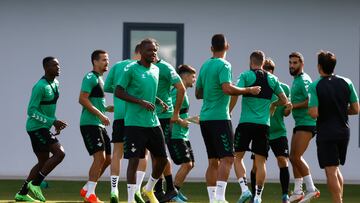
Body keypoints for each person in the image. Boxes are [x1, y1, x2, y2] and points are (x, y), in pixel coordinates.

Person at [195, 34, 261, 203]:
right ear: (227, 47)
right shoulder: (225, 64)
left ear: (211, 48)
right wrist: (248, 90)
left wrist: (210, 90)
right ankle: (219, 197)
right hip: (219, 118)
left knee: (212, 161)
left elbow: (198, 93)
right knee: (228, 158)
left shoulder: (204, 66)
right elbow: (227, 89)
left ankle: (213, 199)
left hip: (205, 119)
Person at [230, 51, 289, 203]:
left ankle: (244, 190)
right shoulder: (273, 79)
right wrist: (273, 104)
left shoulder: (245, 76)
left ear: (251, 62)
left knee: (237, 157)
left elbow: (235, 92)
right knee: (261, 162)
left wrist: (228, 111)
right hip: (263, 125)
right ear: (263, 63)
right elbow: (284, 100)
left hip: (245, 123)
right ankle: (258, 196)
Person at [115, 38, 168, 203]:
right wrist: (140, 102)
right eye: (149, 50)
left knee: (163, 159)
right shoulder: (131, 69)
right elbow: (118, 92)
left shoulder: (156, 70)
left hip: (153, 122)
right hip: (134, 123)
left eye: (155, 50)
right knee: (133, 161)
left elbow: (147, 91)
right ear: (141, 52)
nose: (153, 53)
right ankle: (131, 199)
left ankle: (148, 188)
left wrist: (158, 101)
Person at [308, 51, 359, 203]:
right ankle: (340, 199)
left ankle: (338, 201)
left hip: (326, 132)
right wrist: (341, 111)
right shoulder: (347, 82)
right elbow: (356, 109)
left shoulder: (315, 85)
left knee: (330, 171)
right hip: (344, 132)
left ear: (319, 66)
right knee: (336, 168)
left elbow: (313, 113)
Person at [14, 57, 67, 202]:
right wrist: (52, 121)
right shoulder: (39, 86)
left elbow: (48, 109)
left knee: (43, 162)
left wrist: (54, 123)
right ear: (46, 68)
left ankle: (22, 193)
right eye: (55, 65)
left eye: (59, 65)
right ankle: (35, 184)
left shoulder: (55, 83)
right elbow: (31, 110)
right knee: (60, 153)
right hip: (36, 128)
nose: (58, 67)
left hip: (44, 127)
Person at [248, 58, 292, 203]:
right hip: (261, 131)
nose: (265, 73)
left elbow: (286, 112)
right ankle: (255, 196)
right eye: (263, 70)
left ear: (272, 72)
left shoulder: (283, 88)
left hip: (279, 132)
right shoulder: (256, 88)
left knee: (283, 161)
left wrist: (288, 109)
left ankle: (285, 195)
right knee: (256, 166)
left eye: (268, 70)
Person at [104, 44, 143, 203]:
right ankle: (136, 191)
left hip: (119, 116)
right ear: (141, 52)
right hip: (136, 118)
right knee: (140, 155)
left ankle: (114, 189)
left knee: (117, 154)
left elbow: (107, 87)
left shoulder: (118, 66)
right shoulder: (143, 69)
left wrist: (119, 99)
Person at [152, 45, 186, 202]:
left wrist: (176, 113)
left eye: (152, 50)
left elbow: (181, 88)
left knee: (160, 153)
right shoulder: (145, 68)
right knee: (154, 154)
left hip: (164, 116)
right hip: (149, 116)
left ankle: (171, 188)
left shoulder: (165, 67)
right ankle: (159, 191)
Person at [79, 50, 113, 203]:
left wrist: (111, 109)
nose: (107, 62)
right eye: (104, 60)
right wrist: (100, 115)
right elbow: (82, 99)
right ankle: (90, 194)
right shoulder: (90, 77)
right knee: (100, 158)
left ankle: (87, 188)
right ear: (95, 61)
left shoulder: (100, 79)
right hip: (90, 123)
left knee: (108, 159)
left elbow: (98, 103)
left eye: (108, 60)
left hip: (99, 123)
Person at [288, 52, 319, 203]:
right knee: (292, 157)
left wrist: (293, 105)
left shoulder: (304, 79)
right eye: (290, 63)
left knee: (296, 157)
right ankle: (297, 191)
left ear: (302, 64)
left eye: (295, 63)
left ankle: (312, 189)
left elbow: (310, 100)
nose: (292, 65)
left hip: (308, 123)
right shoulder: (296, 80)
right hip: (299, 123)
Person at [168, 64, 197, 202]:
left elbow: (181, 112)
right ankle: (172, 194)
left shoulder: (183, 91)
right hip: (175, 134)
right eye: (193, 76)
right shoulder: (177, 91)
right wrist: (180, 121)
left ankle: (174, 192)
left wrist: (192, 119)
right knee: (187, 164)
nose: (195, 79)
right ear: (184, 76)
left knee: (191, 164)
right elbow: (168, 113)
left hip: (183, 134)